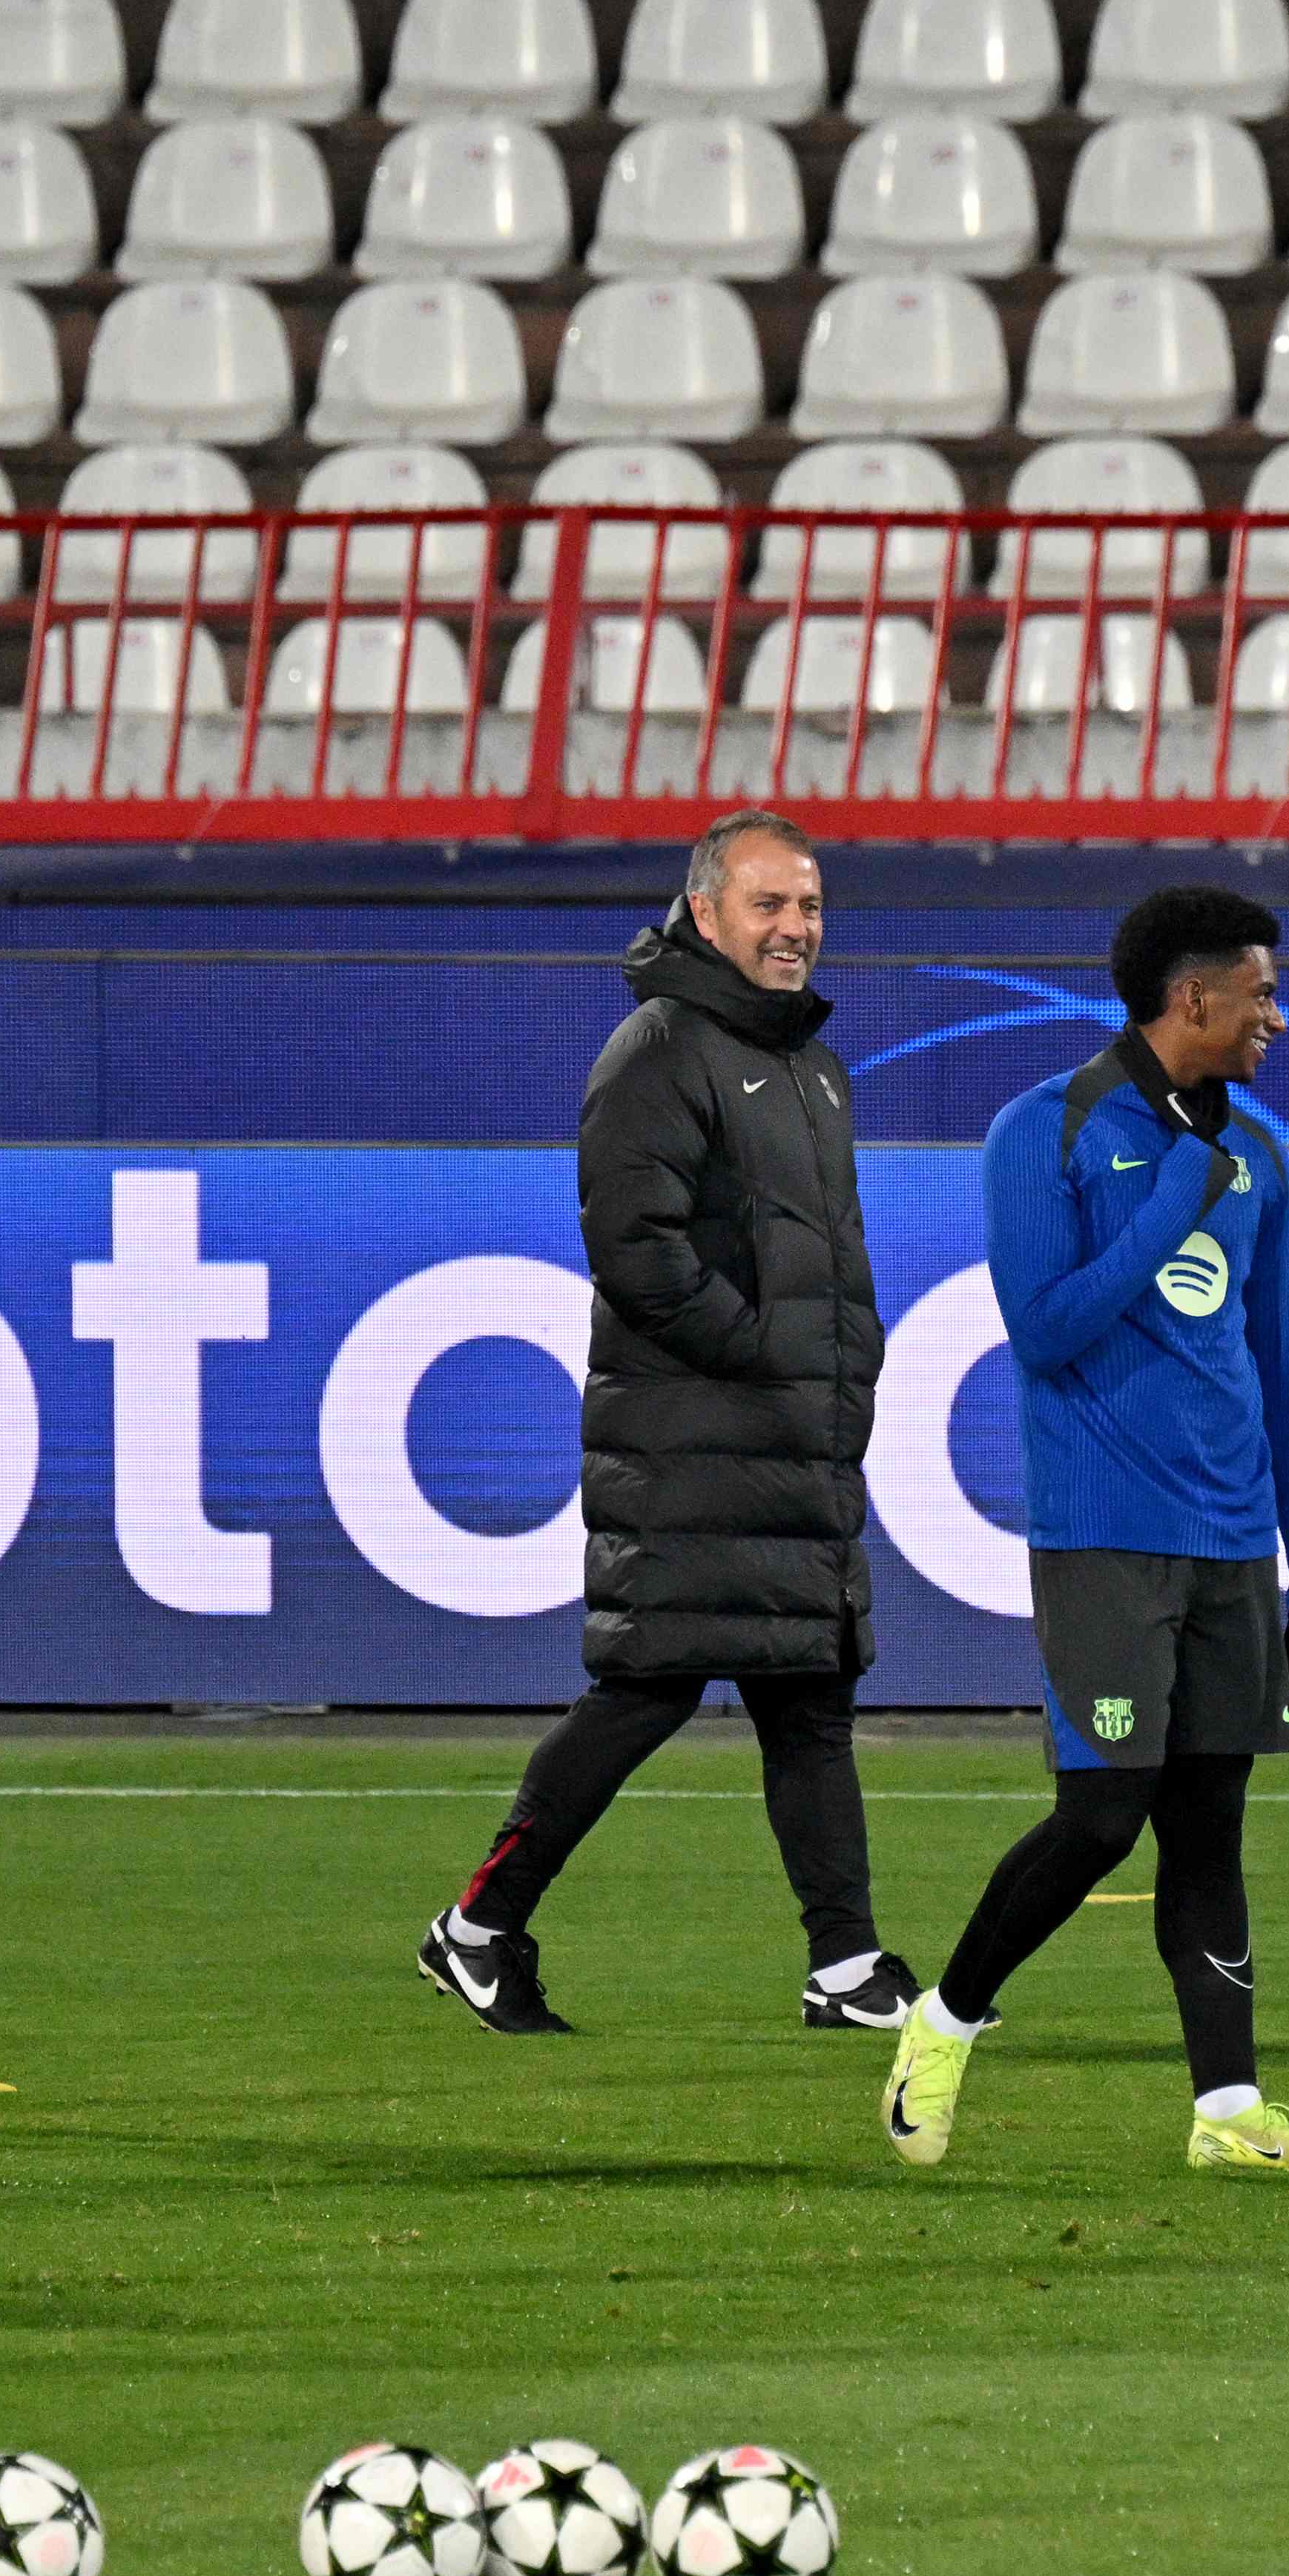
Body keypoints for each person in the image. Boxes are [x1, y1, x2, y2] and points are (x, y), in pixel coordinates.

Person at [880, 885, 1289, 2180]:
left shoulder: (1257, 1155)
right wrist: (1170, 1205)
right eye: (1260, 993)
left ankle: (1230, 2113)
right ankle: (944, 2023)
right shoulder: (1043, 1131)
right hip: (1103, 1537)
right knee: (1102, 1816)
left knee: (1210, 1830)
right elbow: (1044, 1331)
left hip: (1228, 1542)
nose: (1277, 1015)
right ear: (1191, 998)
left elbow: (1282, 1368)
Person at [415, 808, 920, 2037]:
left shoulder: (811, 1065)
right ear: (705, 913)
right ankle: (476, 1927)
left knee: (809, 1692)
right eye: (768, 906)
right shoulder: (657, 1051)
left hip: (788, 1436)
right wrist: (764, 1354)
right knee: (647, 1686)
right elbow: (634, 1252)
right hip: (698, 1439)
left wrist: (842, 1365)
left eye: (808, 907)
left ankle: (844, 1966)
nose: (794, 929)